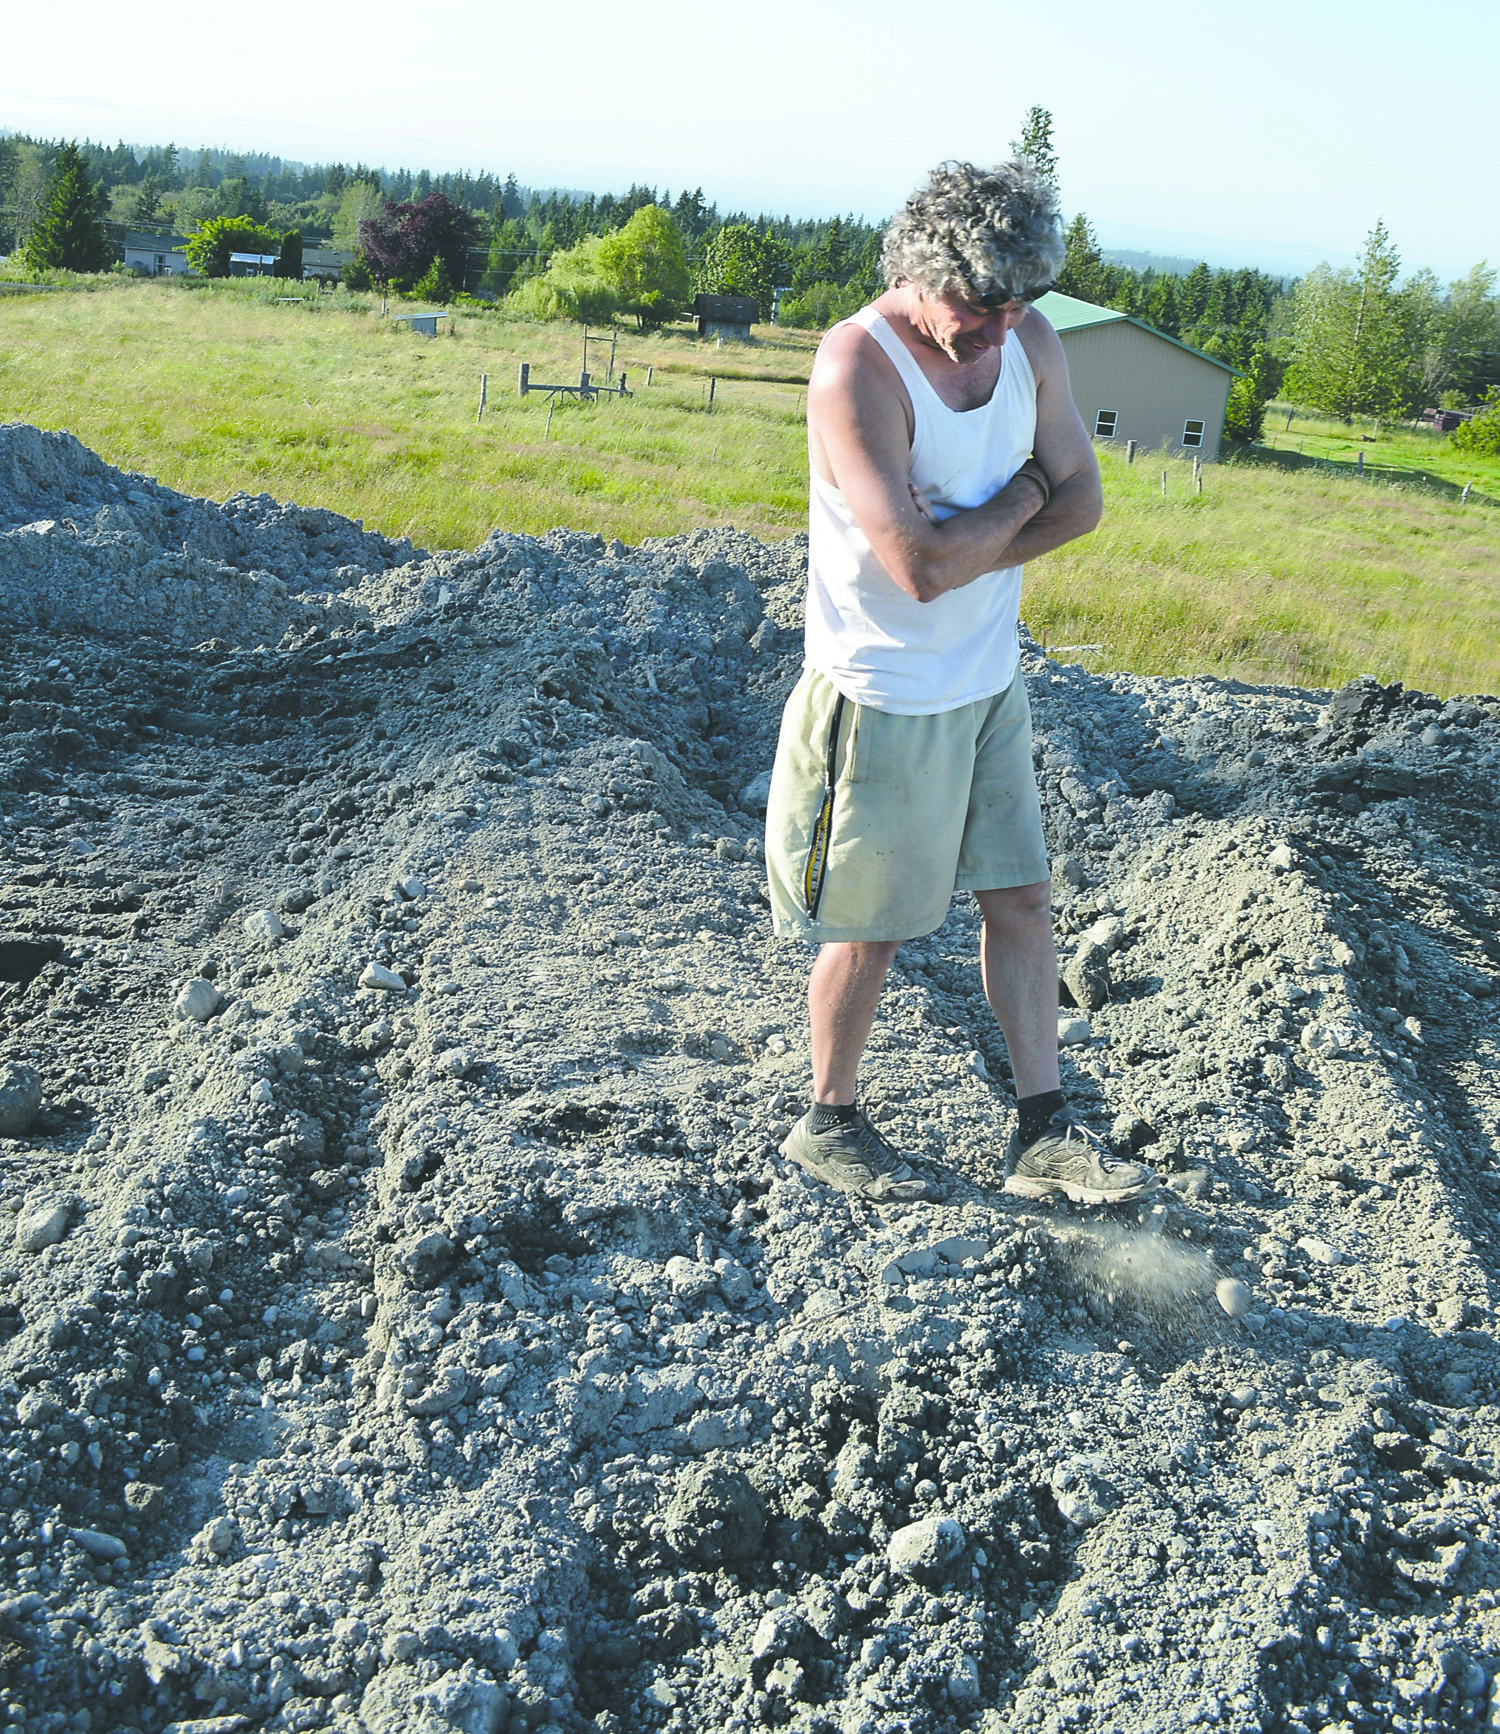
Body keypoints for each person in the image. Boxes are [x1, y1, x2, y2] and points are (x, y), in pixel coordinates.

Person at [765, 160, 1158, 1207]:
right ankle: (829, 1118)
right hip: (885, 692)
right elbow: (921, 569)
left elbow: (1085, 506)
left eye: (1015, 306)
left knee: (1022, 901)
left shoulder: (1028, 339)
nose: (997, 331)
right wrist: (1028, 489)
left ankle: (1043, 1133)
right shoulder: (858, 368)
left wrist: (997, 515)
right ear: (916, 272)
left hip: (987, 678)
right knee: (876, 923)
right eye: (975, 310)